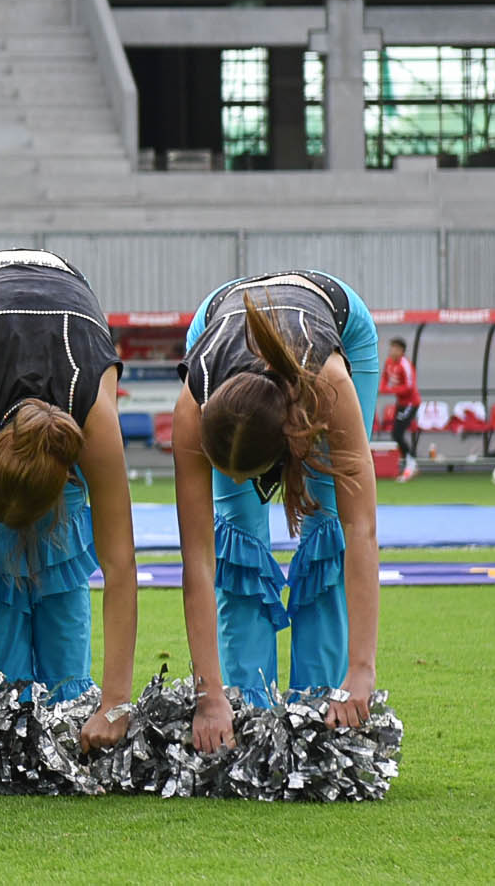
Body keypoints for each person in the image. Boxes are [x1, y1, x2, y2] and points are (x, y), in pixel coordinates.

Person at [0, 249, 139, 754]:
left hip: (70, 308)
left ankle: (68, 696)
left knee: (60, 544)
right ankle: (2, 697)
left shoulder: (94, 420)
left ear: (70, 472)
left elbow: (120, 564)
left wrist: (114, 703)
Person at [171, 272, 382, 750]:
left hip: (337, 325)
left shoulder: (330, 385)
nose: (239, 483)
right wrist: (208, 694)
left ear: (288, 448)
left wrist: (361, 670)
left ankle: (322, 707)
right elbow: (198, 559)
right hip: (217, 317)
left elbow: (361, 529)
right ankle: (246, 712)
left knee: (329, 525)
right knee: (236, 535)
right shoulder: (194, 402)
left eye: (249, 474)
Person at [377, 337, 417, 471]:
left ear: (401, 351)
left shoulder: (405, 364)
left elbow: (409, 387)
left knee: (397, 433)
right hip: (400, 403)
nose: (391, 350)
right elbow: (385, 377)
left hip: (411, 403)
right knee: (395, 434)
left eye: (395, 348)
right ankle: (408, 461)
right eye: (391, 347)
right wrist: (382, 387)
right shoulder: (389, 362)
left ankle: (411, 462)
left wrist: (390, 390)